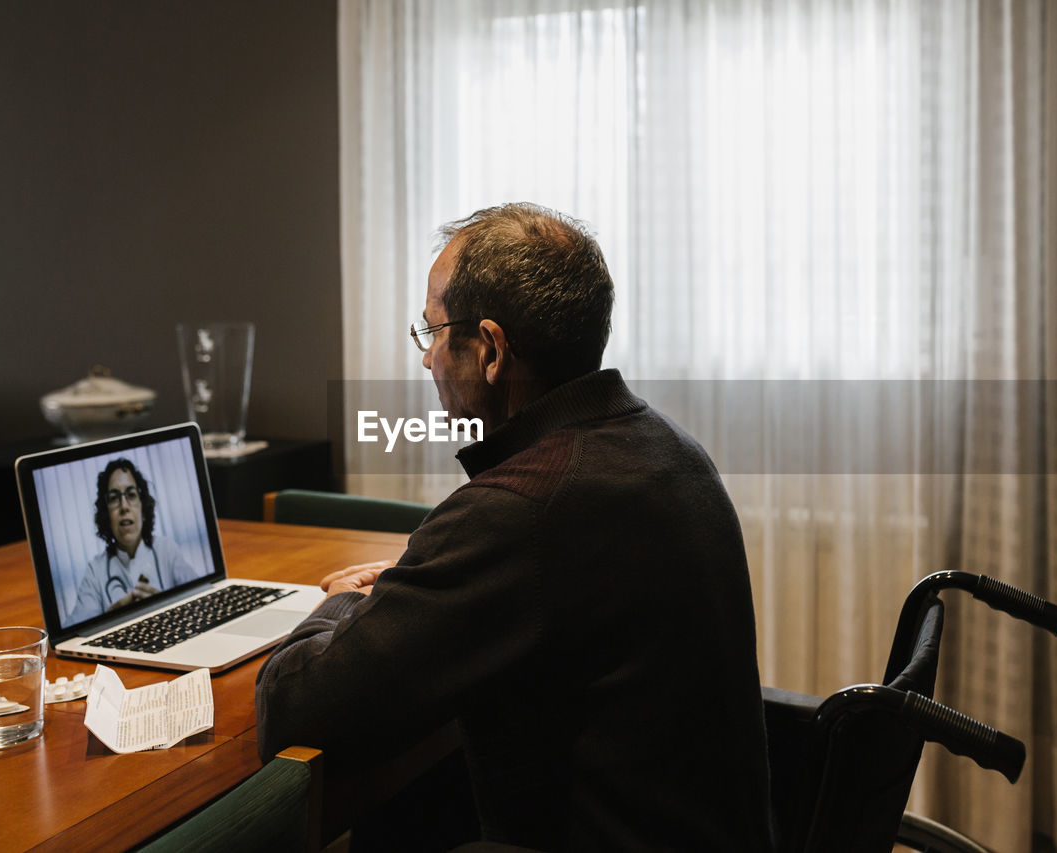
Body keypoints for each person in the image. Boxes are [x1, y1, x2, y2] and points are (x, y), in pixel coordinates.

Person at [256, 203, 774, 851]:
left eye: (432, 331)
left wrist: (340, 600)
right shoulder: (665, 447)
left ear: (492, 350)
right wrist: (422, 595)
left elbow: (296, 708)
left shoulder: (523, 506)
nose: (426, 360)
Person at [67, 458, 203, 625]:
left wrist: (166, 610)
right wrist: (108, 621)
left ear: (143, 509)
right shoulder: (95, 571)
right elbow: (72, 632)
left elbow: (203, 600)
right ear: (106, 515)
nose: (124, 506)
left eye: (131, 495)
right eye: (114, 498)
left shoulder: (166, 550)